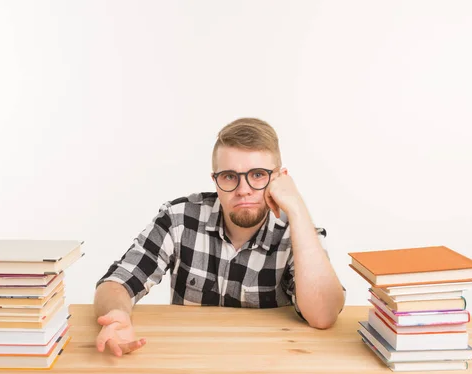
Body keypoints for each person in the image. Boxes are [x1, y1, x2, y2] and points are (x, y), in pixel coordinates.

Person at [93, 118, 346, 357]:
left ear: (280, 178)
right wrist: (116, 313)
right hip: (191, 364)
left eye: (258, 175)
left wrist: (297, 207)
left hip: (271, 368)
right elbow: (118, 281)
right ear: (215, 180)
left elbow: (323, 316)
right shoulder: (179, 218)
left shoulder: (298, 233)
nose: (243, 190)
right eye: (229, 177)